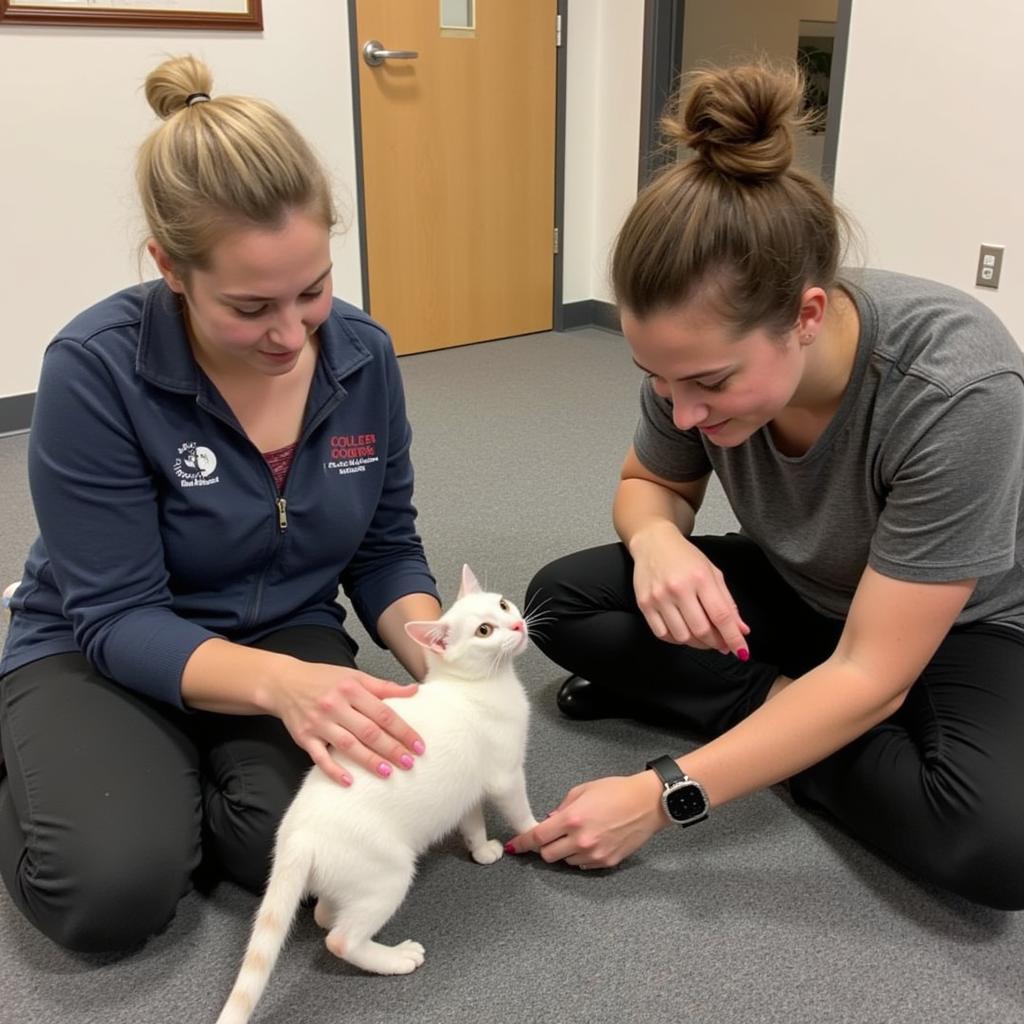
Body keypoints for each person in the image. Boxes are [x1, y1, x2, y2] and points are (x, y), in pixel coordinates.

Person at [508, 61, 1024, 911]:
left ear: (808, 317)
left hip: (955, 625)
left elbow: (874, 669)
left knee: (994, 847)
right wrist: (659, 539)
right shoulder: (688, 361)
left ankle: (773, 728)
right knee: (559, 603)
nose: (682, 412)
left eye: (710, 385)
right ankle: (790, 716)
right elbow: (649, 483)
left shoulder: (956, 386)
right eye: (657, 380)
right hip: (801, 590)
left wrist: (666, 792)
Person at [0, 55, 443, 952]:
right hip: (105, 642)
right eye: (250, 307)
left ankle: (163, 778)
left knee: (318, 855)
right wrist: (280, 692)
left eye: (312, 290)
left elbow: (384, 545)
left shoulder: (364, 356)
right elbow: (117, 612)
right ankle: (43, 747)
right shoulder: (94, 369)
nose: (291, 333)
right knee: (112, 893)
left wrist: (429, 643)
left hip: (286, 631)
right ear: (170, 267)